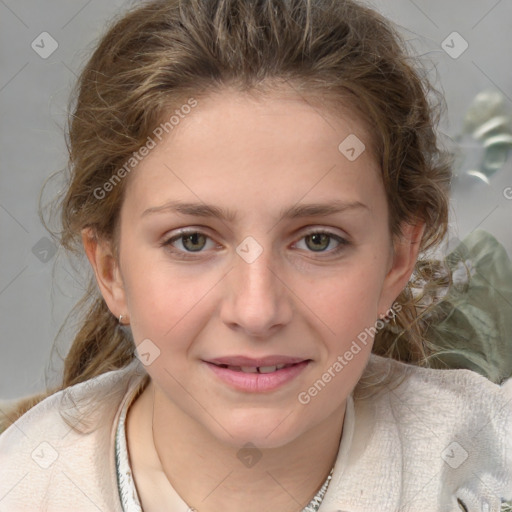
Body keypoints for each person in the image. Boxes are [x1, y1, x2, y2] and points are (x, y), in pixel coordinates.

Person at [1, 0, 511, 510]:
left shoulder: (487, 471)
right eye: (192, 240)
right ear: (110, 270)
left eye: (318, 240)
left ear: (397, 260)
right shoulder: (21, 485)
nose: (256, 310)